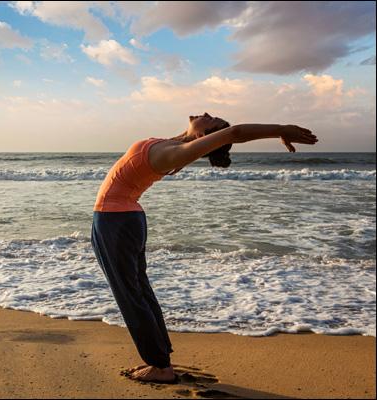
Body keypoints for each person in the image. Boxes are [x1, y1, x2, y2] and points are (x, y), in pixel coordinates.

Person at [90, 113, 317, 383]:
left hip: (116, 221)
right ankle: (160, 358)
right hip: (122, 219)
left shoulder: (176, 153)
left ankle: (160, 366)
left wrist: (280, 129)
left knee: (131, 295)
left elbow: (235, 133)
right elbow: (221, 135)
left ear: (203, 136)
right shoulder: (173, 145)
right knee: (139, 292)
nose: (206, 113)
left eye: (211, 119)